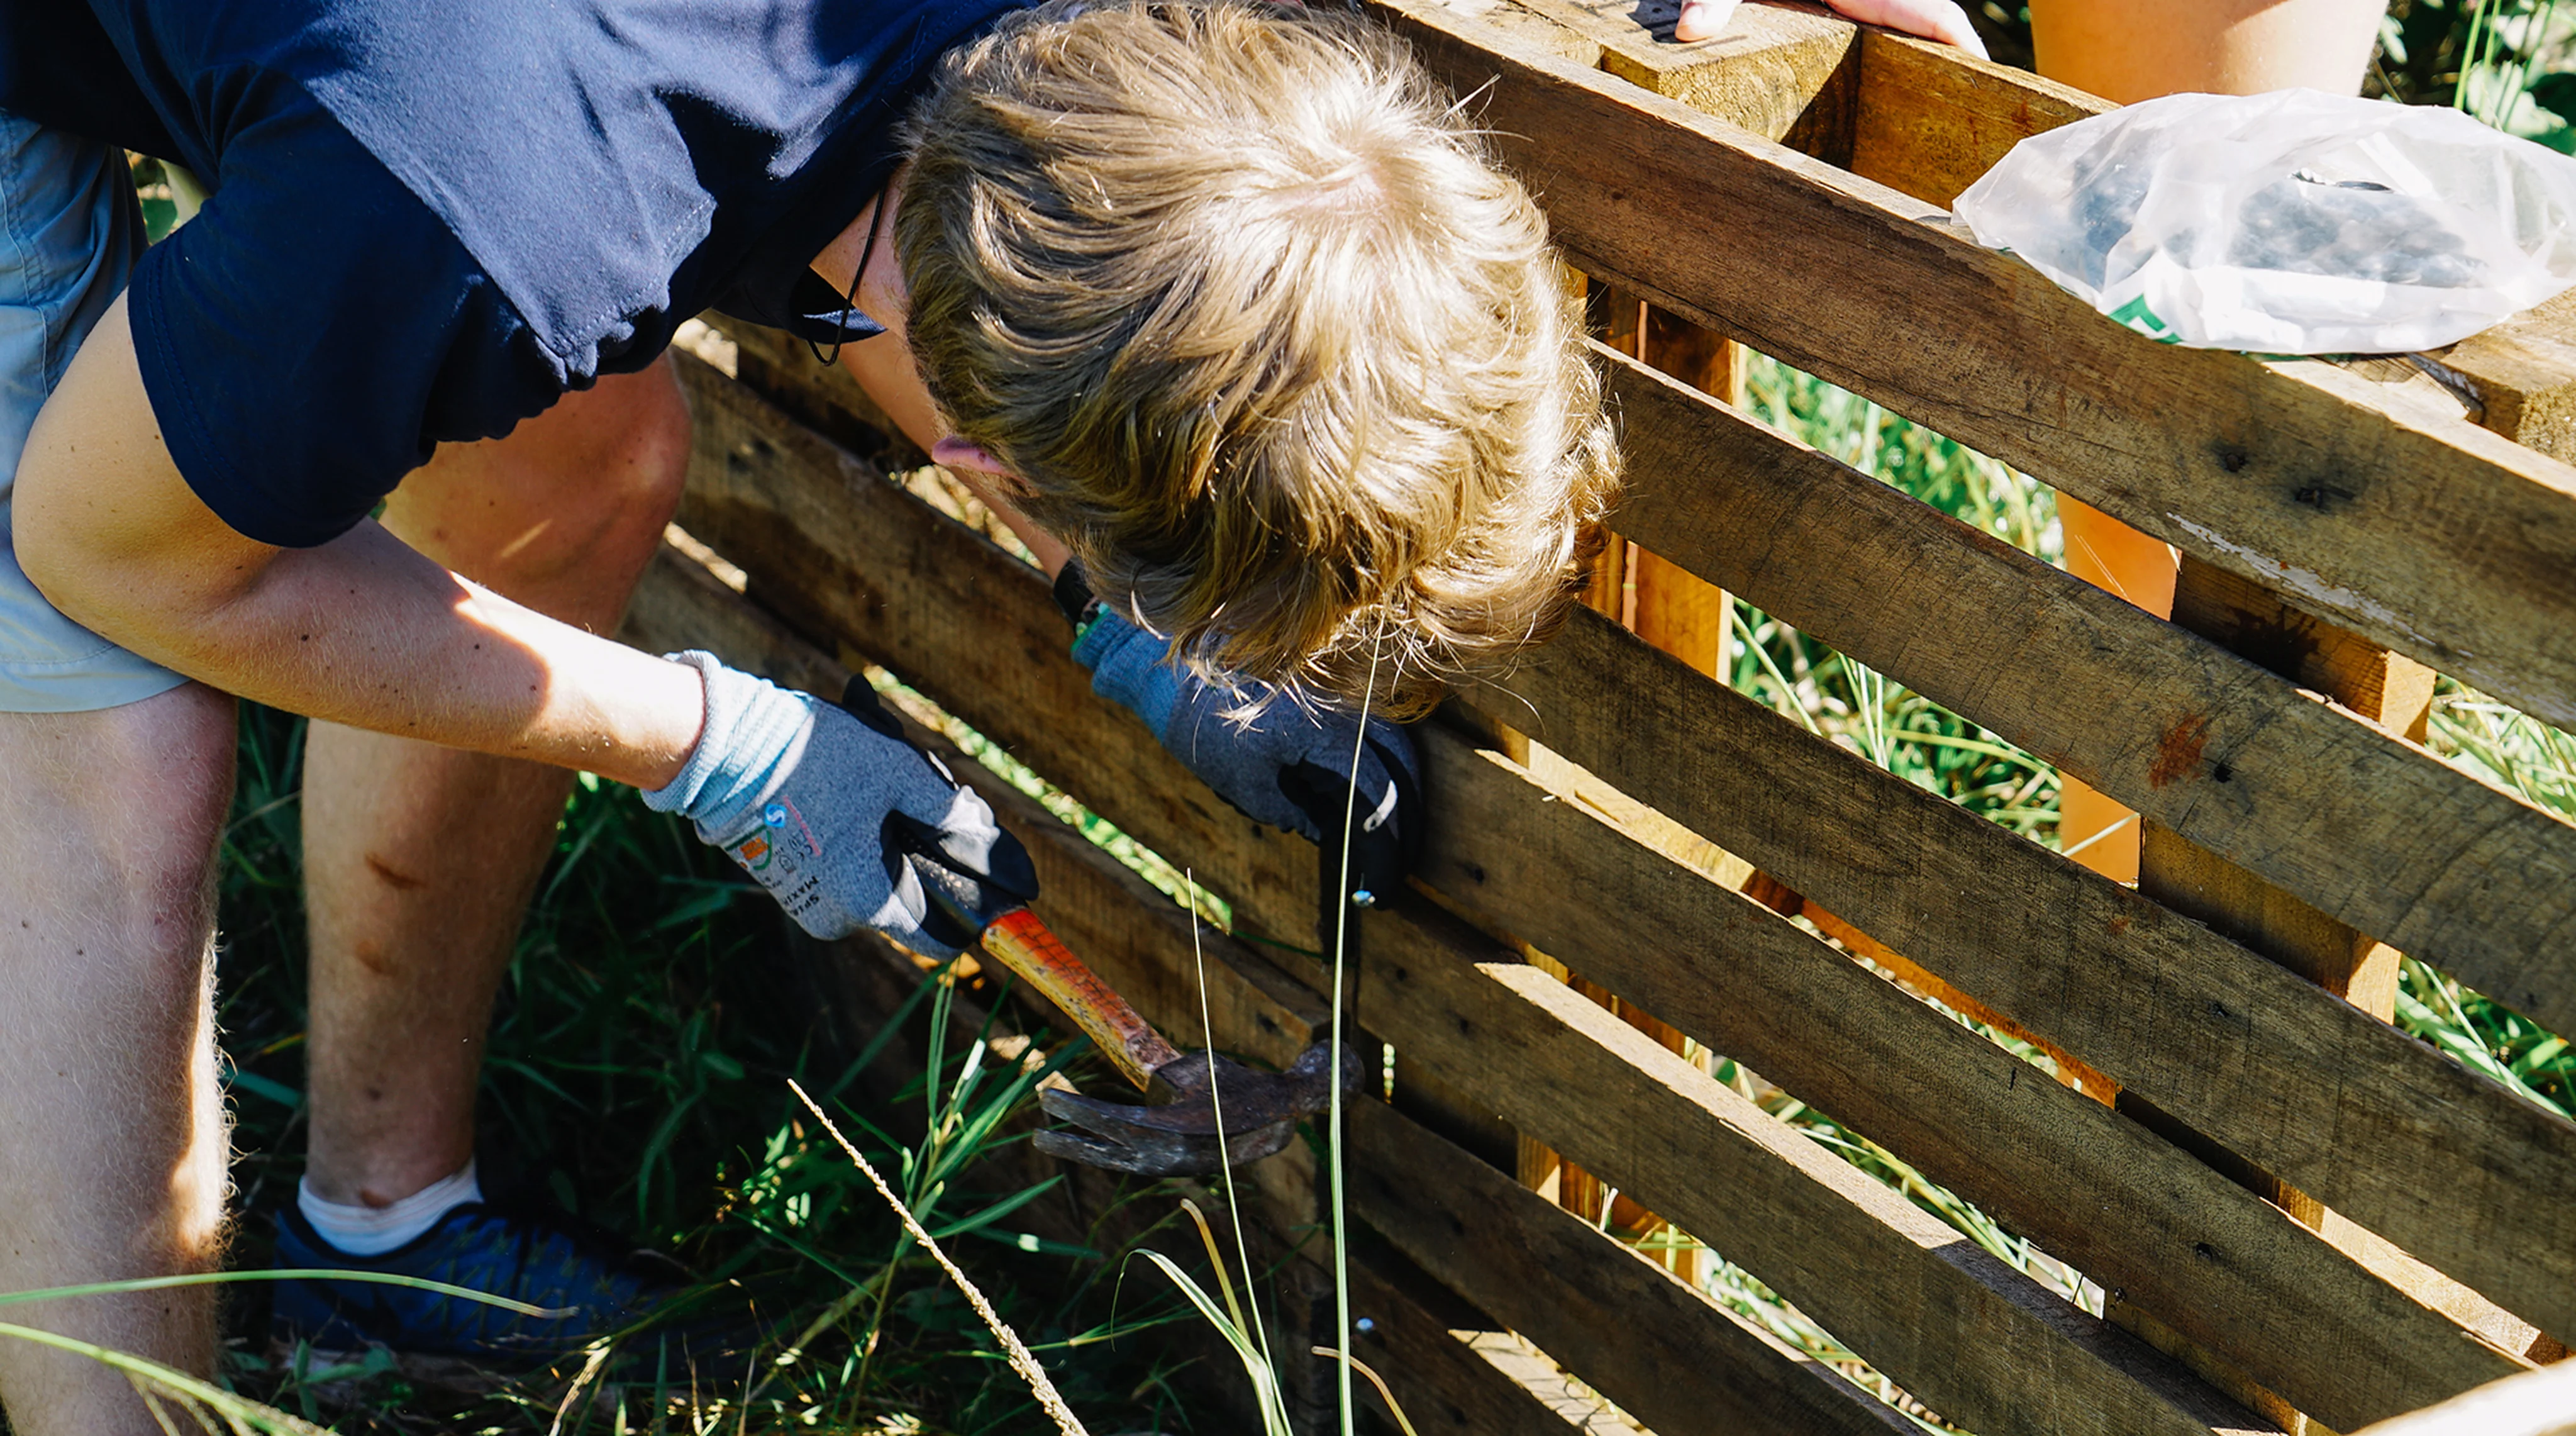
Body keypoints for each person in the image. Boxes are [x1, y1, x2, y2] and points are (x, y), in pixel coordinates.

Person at [0, 0, 1970, 1431]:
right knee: (118, 731)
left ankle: (382, 1232)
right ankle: (111, 1413)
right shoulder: (477, 190)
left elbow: (917, 246)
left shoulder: (1096, 77)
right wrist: (718, 744)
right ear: (1003, 465)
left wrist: (1140, 630)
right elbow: (116, 553)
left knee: (578, 459)